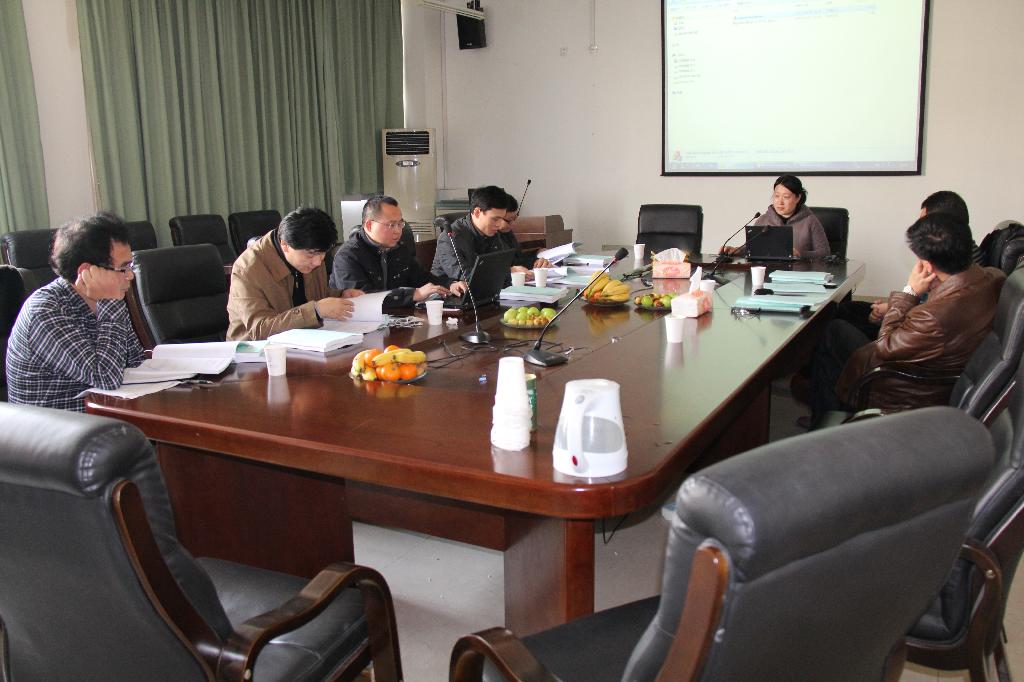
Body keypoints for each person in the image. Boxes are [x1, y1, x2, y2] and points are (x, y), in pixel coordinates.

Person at [808, 212, 1005, 425]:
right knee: (846, 316)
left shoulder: (934, 315)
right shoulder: (993, 277)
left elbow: (884, 346)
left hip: (905, 385)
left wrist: (909, 292)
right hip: (941, 362)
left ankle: (825, 421)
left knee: (833, 330)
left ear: (928, 265)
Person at [6, 212, 145, 411]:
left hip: (103, 415)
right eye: (123, 268)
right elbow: (107, 378)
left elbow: (135, 360)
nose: (130, 276)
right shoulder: (46, 311)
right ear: (86, 271)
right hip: (58, 426)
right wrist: (110, 302)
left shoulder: (104, 299)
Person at [837, 190, 973, 339]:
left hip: (899, 338)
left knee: (834, 329)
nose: (920, 228)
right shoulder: (966, 261)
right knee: (846, 309)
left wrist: (907, 296)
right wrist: (892, 307)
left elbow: (887, 344)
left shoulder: (946, 272)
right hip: (909, 320)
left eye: (924, 223)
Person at [227, 207, 361, 341]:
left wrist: (340, 295)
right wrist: (316, 311)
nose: (317, 262)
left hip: (304, 340)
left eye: (322, 254)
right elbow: (260, 330)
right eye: (311, 254)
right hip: (255, 349)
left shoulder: (312, 255)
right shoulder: (248, 269)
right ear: (285, 245)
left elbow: (313, 295)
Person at [330, 195, 467, 308]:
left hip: (396, 318)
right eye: (391, 225)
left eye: (400, 224)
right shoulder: (348, 256)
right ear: (369, 225)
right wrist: (414, 295)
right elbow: (361, 300)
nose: (397, 231)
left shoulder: (399, 248)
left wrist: (450, 284)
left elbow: (422, 278)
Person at [722, 174, 829, 259]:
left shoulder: (810, 221)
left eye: (786, 197)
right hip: (767, 273)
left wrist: (800, 254)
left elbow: (825, 253)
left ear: (798, 198)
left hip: (798, 274)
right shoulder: (763, 220)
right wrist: (736, 250)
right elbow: (753, 249)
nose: (780, 202)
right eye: (777, 196)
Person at [431, 185, 522, 281]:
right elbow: (465, 276)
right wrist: (508, 272)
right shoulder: (450, 237)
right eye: (495, 219)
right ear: (477, 212)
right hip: (450, 288)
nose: (499, 225)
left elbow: (501, 263)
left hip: (486, 287)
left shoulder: (492, 232)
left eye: (502, 219)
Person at [497, 193, 552, 271]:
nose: (513, 224)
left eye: (514, 218)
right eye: (509, 220)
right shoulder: (492, 235)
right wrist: (535, 261)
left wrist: (537, 253)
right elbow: (510, 264)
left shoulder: (506, 230)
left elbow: (518, 257)